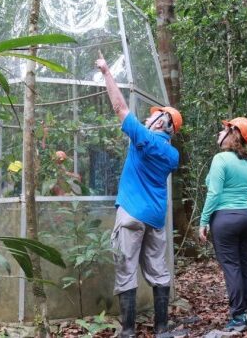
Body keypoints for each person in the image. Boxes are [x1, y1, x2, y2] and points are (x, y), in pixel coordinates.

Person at [96, 56, 181, 338]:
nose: (148, 116)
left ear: (162, 123)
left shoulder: (144, 138)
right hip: (156, 217)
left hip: (132, 213)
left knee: (126, 269)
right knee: (158, 270)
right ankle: (162, 329)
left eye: (154, 114)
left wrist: (107, 72)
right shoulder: (172, 154)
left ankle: (129, 331)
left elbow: (119, 107)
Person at [198, 117, 247, 332]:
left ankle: (238, 317)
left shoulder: (220, 159)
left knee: (232, 268)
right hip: (246, 217)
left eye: (222, 130)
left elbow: (214, 192)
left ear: (232, 134)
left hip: (225, 219)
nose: (219, 133)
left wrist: (204, 220)